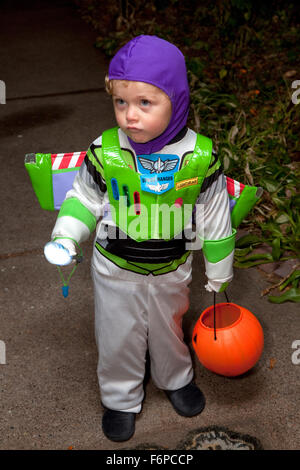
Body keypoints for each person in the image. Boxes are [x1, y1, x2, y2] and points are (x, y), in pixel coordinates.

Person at [44, 35, 235, 442]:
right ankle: (119, 398)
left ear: (177, 99)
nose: (130, 116)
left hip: (172, 268)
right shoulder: (104, 150)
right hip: (115, 269)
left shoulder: (201, 157)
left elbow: (217, 215)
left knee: (168, 328)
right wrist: (67, 236)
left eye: (145, 103)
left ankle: (176, 378)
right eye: (121, 102)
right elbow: (83, 198)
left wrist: (219, 272)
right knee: (117, 335)